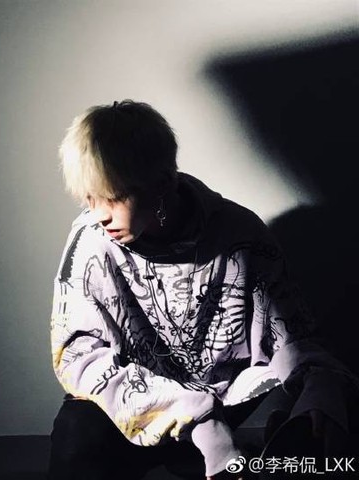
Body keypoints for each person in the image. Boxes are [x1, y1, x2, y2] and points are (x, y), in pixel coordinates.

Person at [48, 100, 359, 480]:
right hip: (134, 408)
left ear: (162, 184)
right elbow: (79, 356)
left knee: (335, 410)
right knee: (76, 429)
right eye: (89, 198)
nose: (99, 214)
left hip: (223, 400)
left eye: (114, 197)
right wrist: (198, 419)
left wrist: (320, 387)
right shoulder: (91, 241)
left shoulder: (239, 232)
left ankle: (256, 456)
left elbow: (289, 331)